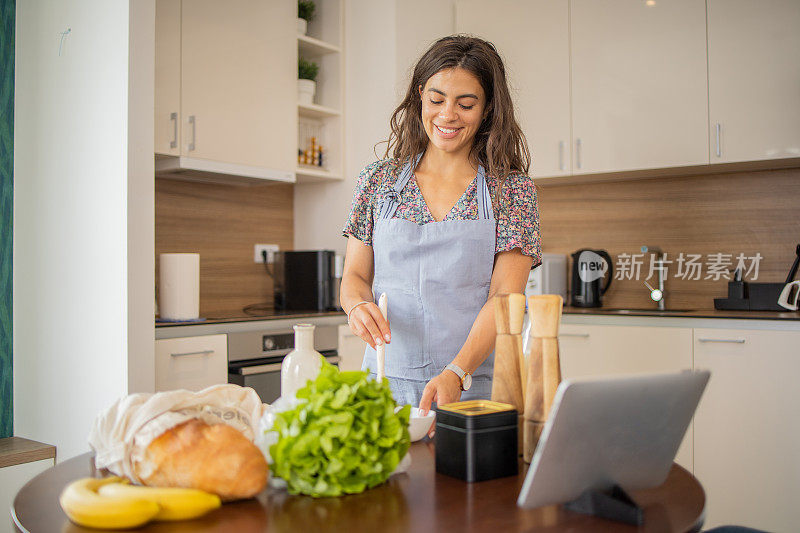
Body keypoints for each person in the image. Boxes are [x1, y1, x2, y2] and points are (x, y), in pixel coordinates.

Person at [340, 35, 541, 413]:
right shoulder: (378, 181)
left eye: (466, 104)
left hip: (473, 388)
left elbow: (505, 298)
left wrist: (456, 371)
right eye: (436, 100)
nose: (448, 115)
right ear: (419, 96)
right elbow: (354, 276)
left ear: (487, 109)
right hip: (384, 384)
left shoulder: (511, 190)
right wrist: (355, 307)